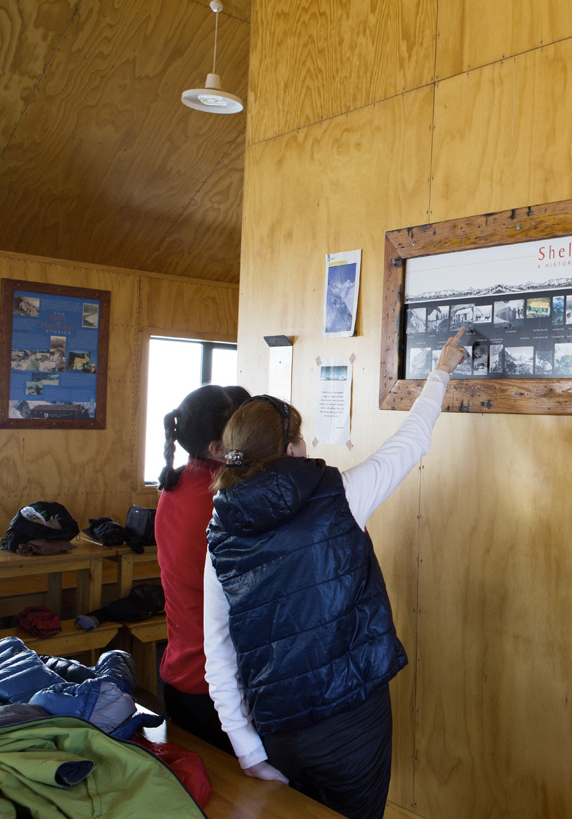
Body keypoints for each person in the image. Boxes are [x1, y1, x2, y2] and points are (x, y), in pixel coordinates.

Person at [203, 329, 467, 818]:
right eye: (300, 437)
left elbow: (217, 649)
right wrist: (443, 370)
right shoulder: (340, 496)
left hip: (275, 727)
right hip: (350, 721)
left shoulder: (221, 529)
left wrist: (248, 749)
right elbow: (411, 441)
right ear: (293, 446)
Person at [155, 383, 251, 753]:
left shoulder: (174, 484)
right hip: (216, 684)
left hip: (181, 673)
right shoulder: (222, 502)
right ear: (217, 448)